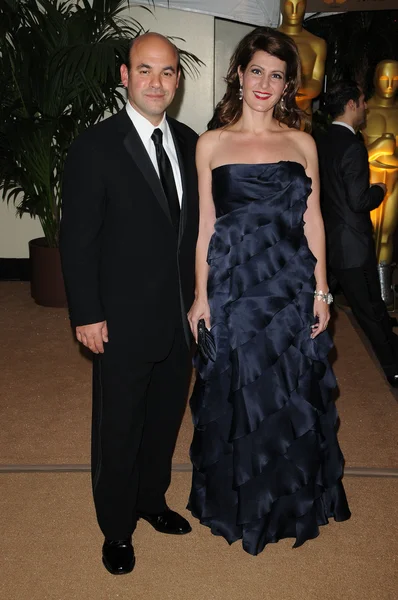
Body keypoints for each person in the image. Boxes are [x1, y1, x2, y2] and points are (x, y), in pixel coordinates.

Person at [187, 26, 350, 557]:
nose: (264, 82)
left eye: (276, 75)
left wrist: (321, 292)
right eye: (256, 70)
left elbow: (314, 220)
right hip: (234, 288)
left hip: (288, 285)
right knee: (239, 392)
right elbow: (206, 227)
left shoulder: (302, 143)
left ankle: (288, 502)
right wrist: (200, 296)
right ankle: (239, 502)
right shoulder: (211, 143)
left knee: (287, 392)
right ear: (239, 74)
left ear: (288, 87)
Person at [60, 33, 199, 575]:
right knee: (119, 427)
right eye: (145, 70)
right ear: (125, 75)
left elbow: (196, 233)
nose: (156, 82)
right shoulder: (95, 146)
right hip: (117, 319)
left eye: (166, 72)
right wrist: (87, 314)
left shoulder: (190, 141)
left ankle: (150, 500)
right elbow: (78, 240)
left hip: (181, 315)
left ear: (177, 80)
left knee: (164, 420)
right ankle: (117, 528)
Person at [315, 79, 398, 387]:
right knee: (371, 310)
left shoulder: (320, 140)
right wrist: (380, 188)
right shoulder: (352, 146)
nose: (366, 106)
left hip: (329, 241)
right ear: (351, 105)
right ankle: (393, 368)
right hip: (352, 245)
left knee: (326, 302)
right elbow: (359, 200)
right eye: (363, 101)